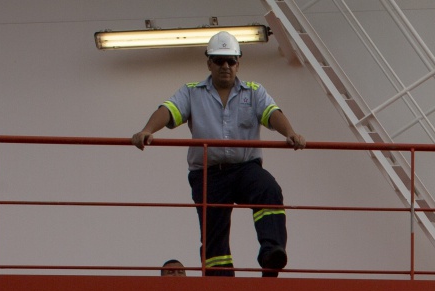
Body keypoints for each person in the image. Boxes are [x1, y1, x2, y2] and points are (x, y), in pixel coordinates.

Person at [130, 31, 307, 277]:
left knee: (268, 190)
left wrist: (290, 132)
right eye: (219, 60)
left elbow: (271, 113)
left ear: (238, 63)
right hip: (208, 173)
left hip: (245, 169)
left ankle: (271, 255)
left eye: (231, 60)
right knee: (214, 235)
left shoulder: (254, 92)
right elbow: (169, 110)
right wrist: (147, 130)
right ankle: (220, 283)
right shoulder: (192, 92)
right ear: (209, 63)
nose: (226, 66)